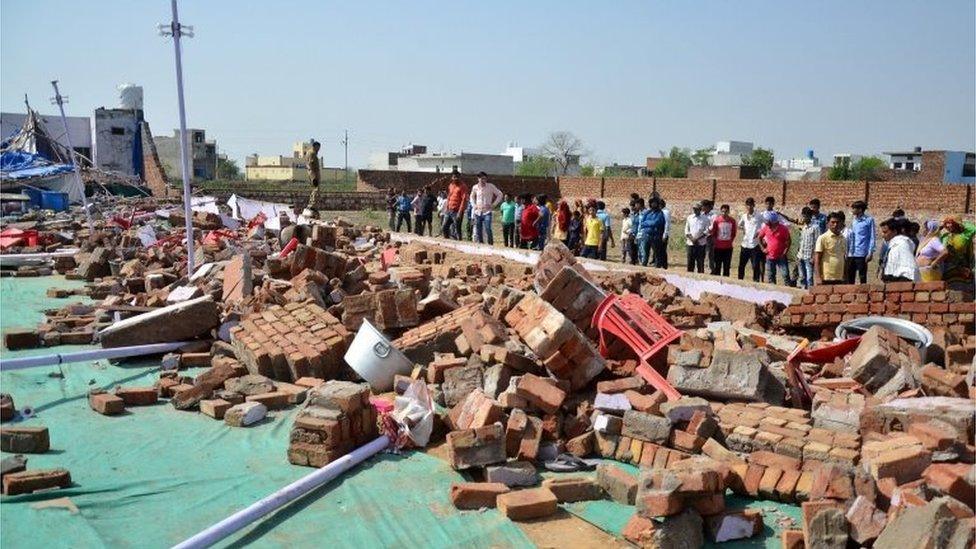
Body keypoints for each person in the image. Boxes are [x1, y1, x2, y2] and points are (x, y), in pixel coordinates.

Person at [939, 215, 975, 289]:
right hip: (946, 268)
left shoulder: (964, 235)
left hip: (961, 268)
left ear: (956, 223)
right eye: (946, 223)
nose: (948, 225)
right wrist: (941, 227)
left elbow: (973, 228)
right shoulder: (945, 236)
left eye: (950, 223)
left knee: (961, 290)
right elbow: (933, 235)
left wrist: (959, 222)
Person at [844, 200, 876, 284]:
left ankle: (863, 294)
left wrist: (870, 252)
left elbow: (872, 237)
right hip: (851, 253)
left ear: (860, 209)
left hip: (861, 253)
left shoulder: (869, 220)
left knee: (862, 276)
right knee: (850, 275)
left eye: (854, 208)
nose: (852, 210)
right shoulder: (852, 220)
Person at [880, 218, 919, 282]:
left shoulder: (901, 244)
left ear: (894, 231)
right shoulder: (895, 244)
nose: (882, 235)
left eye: (885, 232)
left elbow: (907, 268)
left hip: (904, 279)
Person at [469, 172, 503, 245]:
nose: (482, 180)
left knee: (488, 228)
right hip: (478, 211)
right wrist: (474, 205)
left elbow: (500, 194)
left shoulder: (490, 186)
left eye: (484, 178)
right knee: (479, 229)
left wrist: (493, 204)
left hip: (487, 211)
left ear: (486, 179)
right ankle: (481, 244)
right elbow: (471, 197)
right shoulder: (475, 187)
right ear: (478, 179)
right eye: (481, 178)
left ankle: (491, 244)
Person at [758, 212, 792, 285]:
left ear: (772, 222)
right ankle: (773, 293)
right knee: (771, 276)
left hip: (781, 256)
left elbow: (789, 241)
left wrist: (785, 252)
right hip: (770, 256)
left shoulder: (783, 229)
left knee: (785, 275)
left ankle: (789, 290)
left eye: (768, 222)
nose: (767, 224)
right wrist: (763, 248)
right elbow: (759, 237)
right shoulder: (766, 228)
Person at [814, 211, 847, 285]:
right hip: (826, 277)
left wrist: (845, 275)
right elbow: (817, 259)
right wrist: (818, 277)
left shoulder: (843, 239)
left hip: (839, 277)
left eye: (837, 222)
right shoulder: (823, 238)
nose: (835, 225)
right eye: (833, 222)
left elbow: (843, 258)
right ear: (828, 223)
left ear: (841, 223)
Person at [795, 207, 821, 289]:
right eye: (803, 216)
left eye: (806, 216)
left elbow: (817, 242)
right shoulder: (804, 227)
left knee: (809, 277)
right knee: (802, 276)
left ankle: (810, 293)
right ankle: (803, 292)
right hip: (801, 255)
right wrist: (798, 254)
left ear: (810, 216)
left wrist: (814, 256)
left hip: (809, 256)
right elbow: (801, 241)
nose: (804, 218)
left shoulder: (815, 227)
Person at [737, 197, 763, 282]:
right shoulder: (744, 216)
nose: (749, 206)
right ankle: (740, 282)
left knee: (755, 266)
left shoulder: (759, 215)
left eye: (751, 205)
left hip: (754, 245)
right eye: (747, 205)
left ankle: (756, 283)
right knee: (741, 266)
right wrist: (743, 228)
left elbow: (765, 225)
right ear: (746, 206)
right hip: (745, 245)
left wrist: (759, 232)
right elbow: (739, 225)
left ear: (753, 205)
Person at [710, 204, 737, 277]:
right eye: (723, 211)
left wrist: (730, 241)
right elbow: (714, 233)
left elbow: (734, 233)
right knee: (717, 267)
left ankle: (726, 286)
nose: (724, 213)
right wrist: (716, 242)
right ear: (720, 211)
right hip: (718, 248)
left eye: (726, 211)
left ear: (728, 211)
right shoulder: (717, 220)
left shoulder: (732, 221)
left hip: (728, 248)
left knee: (726, 267)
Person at [684, 203, 708, 273]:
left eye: (697, 209)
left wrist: (697, 239)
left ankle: (700, 280)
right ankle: (689, 279)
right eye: (694, 209)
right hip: (690, 243)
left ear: (700, 210)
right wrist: (692, 239)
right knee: (690, 262)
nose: (695, 210)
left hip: (701, 244)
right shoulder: (690, 217)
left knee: (700, 263)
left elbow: (707, 231)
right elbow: (686, 230)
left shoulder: (705, 219)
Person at [444, 172, 468, 239]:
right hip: (449, 210)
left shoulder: (463, 186)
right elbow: (449, 197)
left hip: (457, 211)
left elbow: (464, 200)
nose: (455, 178)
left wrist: (460, 212)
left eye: (457, 177)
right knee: (444, 227)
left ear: (460, 177)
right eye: (454, 177)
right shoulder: (451, 185)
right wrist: (447, 208)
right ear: (452, 178)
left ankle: (459, 243)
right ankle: (447, 242)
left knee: (457, 228)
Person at [304, 140, 322, 214]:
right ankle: (313, 204)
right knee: (316, 189)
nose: (319, 149)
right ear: (315, 146)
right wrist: (314, 176)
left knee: (314, 189)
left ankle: (312, 203)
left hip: (312, 172)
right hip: (313, 173)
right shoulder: (312, 153)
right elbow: (311, 164)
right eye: (318, 147)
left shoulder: (309, 152)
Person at [701, 199, 716, 273]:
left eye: (703, 206)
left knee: (710, 253)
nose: (702, 208)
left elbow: (712, 226)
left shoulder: (713, 215)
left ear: (707, 207)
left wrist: (705, 233)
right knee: (701, 253)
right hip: (701, 237)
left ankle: (711, 269)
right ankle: (702, 268)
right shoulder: (702, 214)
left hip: (709, 237)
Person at [659, 199, 671, 268]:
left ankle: (664, 265)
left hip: (663, 234)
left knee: (662, 250)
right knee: (659, 250)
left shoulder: (665, 212)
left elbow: (666, 224)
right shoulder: (661, 211)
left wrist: (665, 235)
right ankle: (660, 263)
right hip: (660, 233)